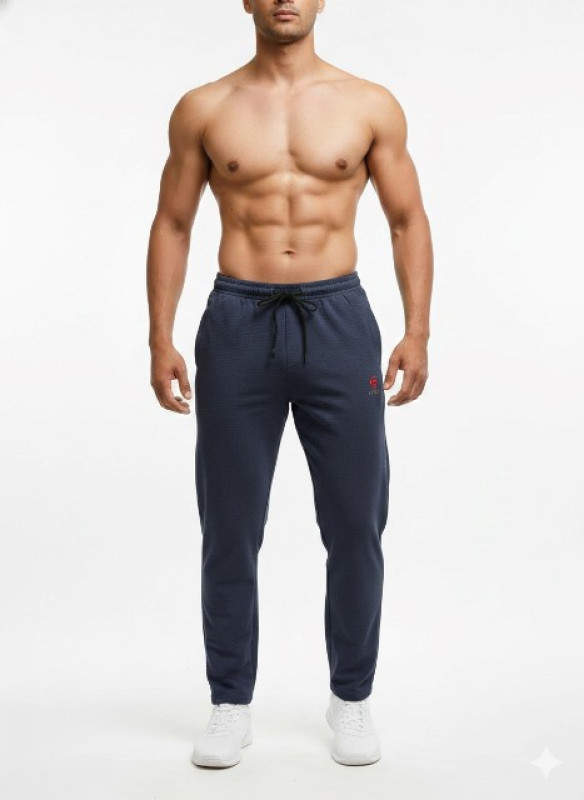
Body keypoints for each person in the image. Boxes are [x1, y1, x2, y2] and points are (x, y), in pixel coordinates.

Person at [146, 0, 433, 770]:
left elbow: (406, 219)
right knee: (230, 526)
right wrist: (160, 336)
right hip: (237, 323)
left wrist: (417, 330)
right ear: (245, 1)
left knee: (355, 522)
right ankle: (229, 702)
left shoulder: (368, 104)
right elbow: (173, 222)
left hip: (340, 320)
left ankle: (352, 696)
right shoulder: (205, 107)